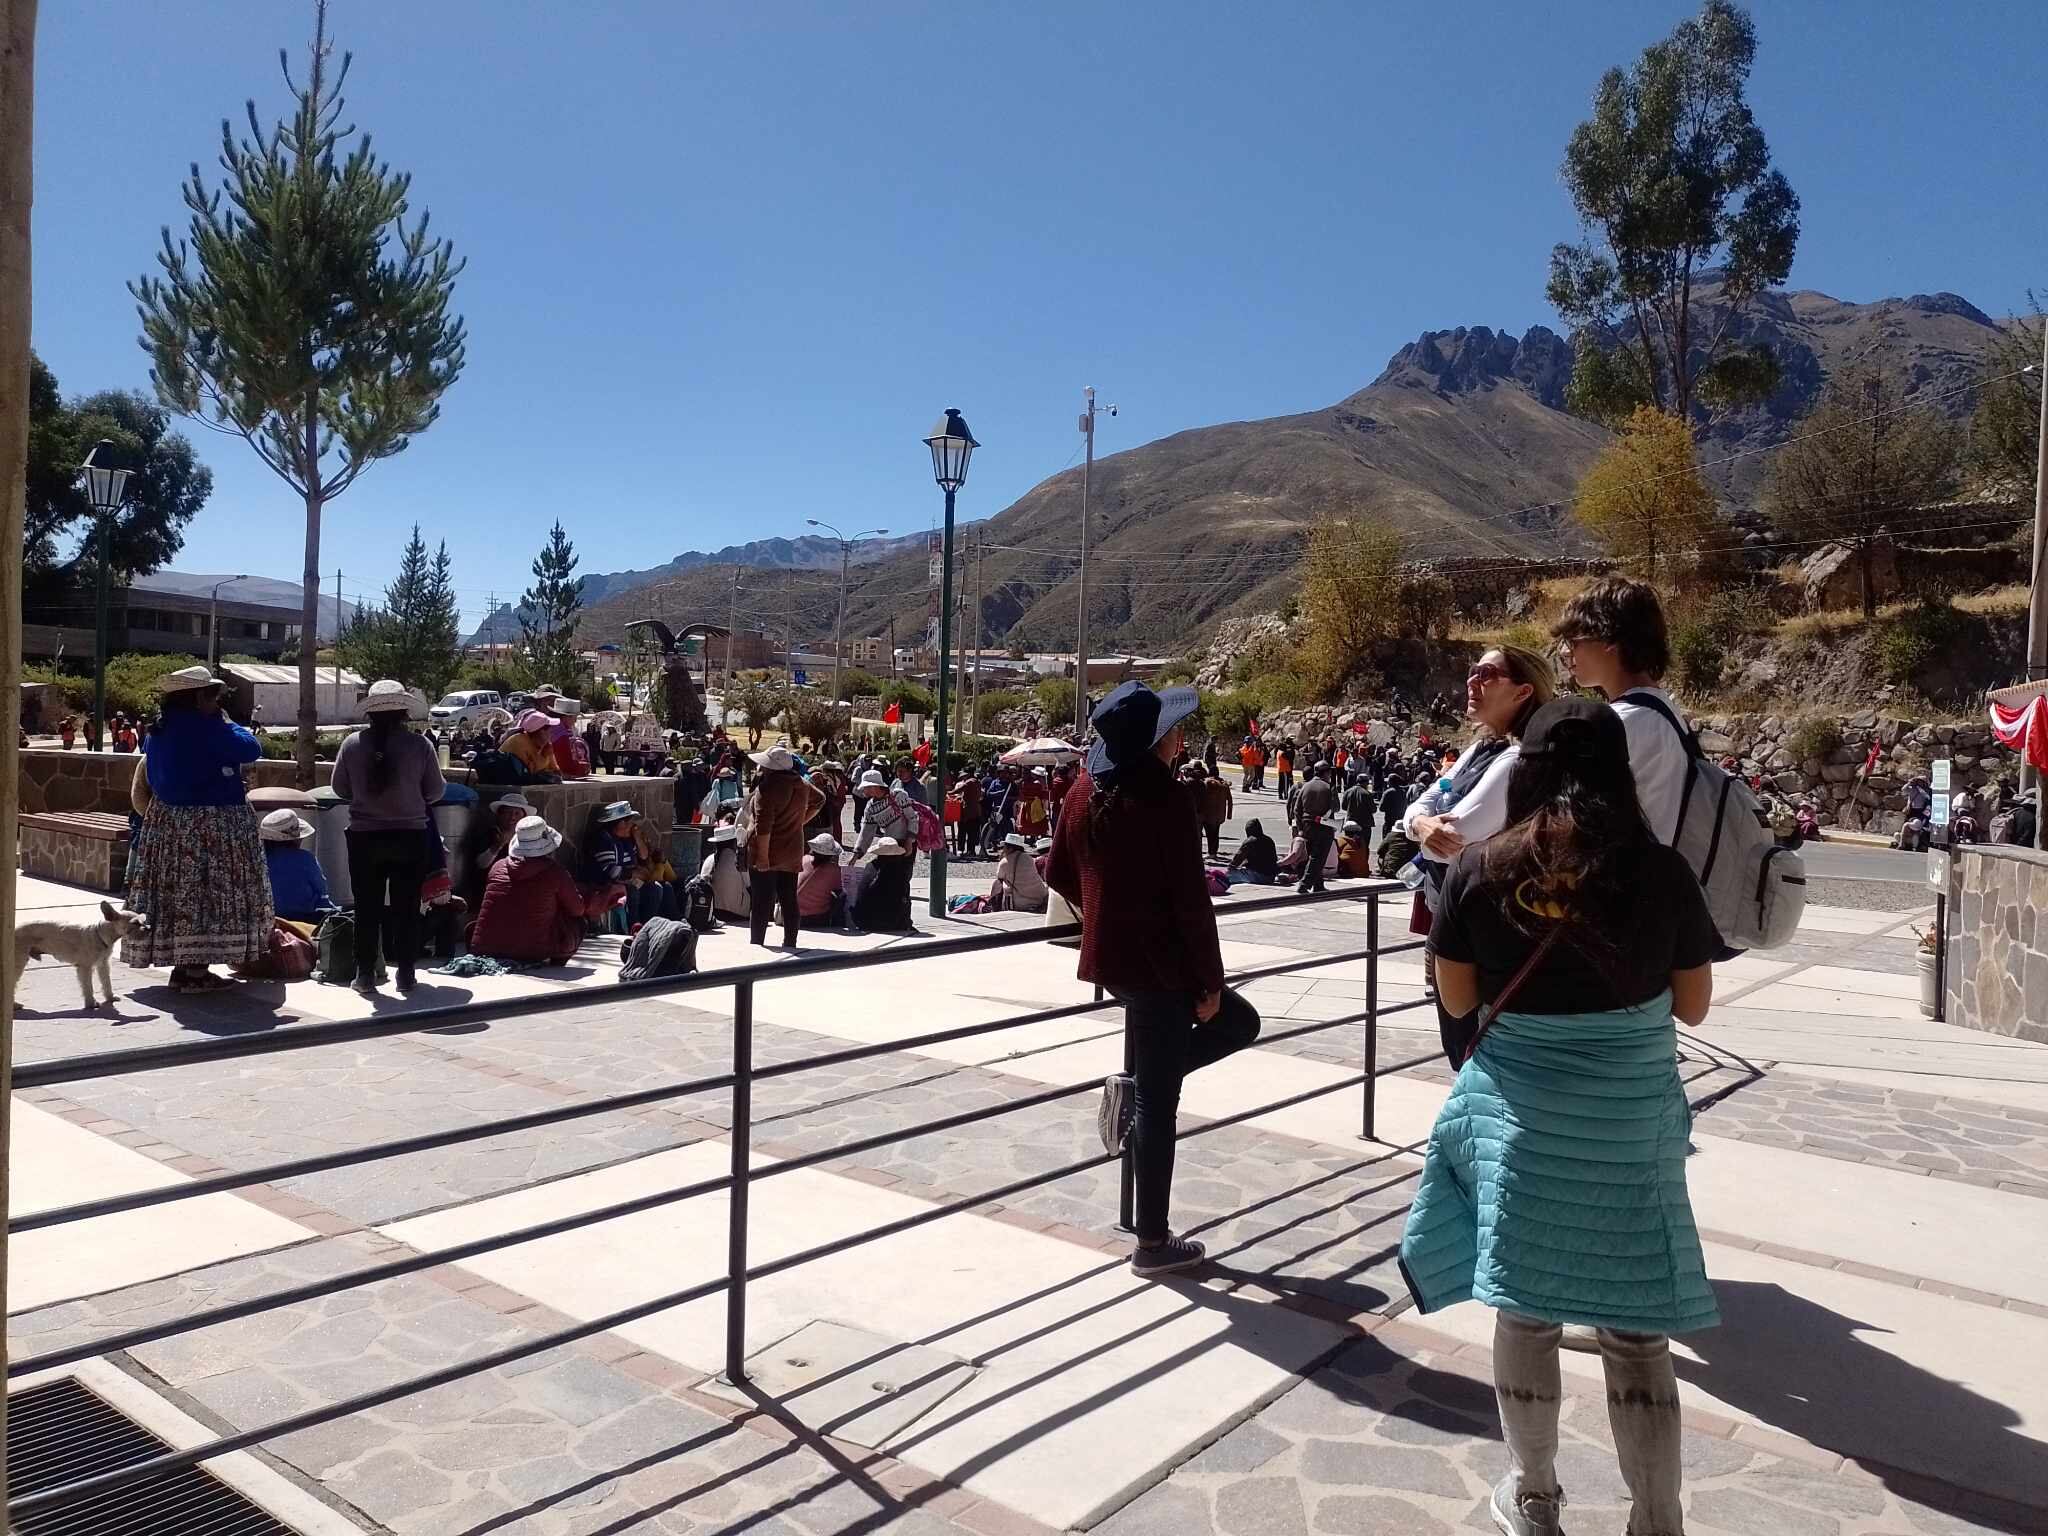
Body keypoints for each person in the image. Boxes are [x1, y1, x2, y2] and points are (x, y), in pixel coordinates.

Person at [1399, 697, 1718, 1536]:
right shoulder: (1662, 872)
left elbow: (1459, 999)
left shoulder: (1478, 867)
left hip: (1525, 1124)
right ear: (1617, 769)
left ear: (1528, 770)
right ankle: (1657, 1519)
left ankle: (1534, 1499)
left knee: (1528, 1309)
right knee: (1638, 1329)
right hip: (1628, 1124)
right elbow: (1694, 1006)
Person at [1046, 681, 1261, 1278]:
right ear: (1158, 742)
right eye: (1173, 731)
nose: (1181, 738)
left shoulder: (1084, 790)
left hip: (1115, 962)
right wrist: (1208, 982)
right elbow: (1190, 901)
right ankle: (1152, 1243)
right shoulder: (1162, 798)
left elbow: (1059, 869)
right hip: (1163, 967)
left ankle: (1138, 1084)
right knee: (1175, 1092)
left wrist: (1100, 917)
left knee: (1164, 1080)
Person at [122, 666, 271, 992]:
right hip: (212, 824)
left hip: (168, 823)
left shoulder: (157, 732)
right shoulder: (211, 728)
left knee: (179, 895)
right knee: (208, 893)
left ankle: (183, 966)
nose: (217, 702)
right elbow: (251, 749)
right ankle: (195, 973)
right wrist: (228, 722)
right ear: (198, 697)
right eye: (212, 696)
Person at [1401, 647, 1557, 921]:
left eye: (1486, 674)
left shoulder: (1520, 758)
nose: (1471, 681)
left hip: (1486, 917)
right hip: (1450, 908)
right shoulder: (1478, 750)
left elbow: (1449, 842)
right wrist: (1420, 824)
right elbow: (1423, 804)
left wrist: (1421, 827)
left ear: (1522, 692)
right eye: (1473, 672)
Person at [1551, 577, 1690, 844]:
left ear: (1608, 639)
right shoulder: (1660, 711)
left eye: (1573, 640)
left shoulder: (1623, 723)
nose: (1565, 652)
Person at [330, 680, 446, 995]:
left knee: (366, 906)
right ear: (404, 711)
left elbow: (339, 788)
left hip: (364, 837)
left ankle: (365, 974)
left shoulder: (352, 744)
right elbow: (435, 792)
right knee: (406, 908)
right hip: (410, 836)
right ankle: (406, 974)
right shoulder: (420, 745)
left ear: (370, 713)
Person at [471, 816, 612, 965]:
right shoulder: (555, 872)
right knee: (578, 922)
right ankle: (558, 959)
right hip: (533, 951)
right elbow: (577, 909)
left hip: (484, 947)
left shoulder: (497, 866)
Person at [744, 745, 825, 948]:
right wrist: (799, 822)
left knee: (762, 902)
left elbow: (763, 828)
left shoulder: (767, 789)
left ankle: (756, 944)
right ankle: (790, 942)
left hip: (769, 851)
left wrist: (762, 858)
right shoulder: (800, 784)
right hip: (792, 850)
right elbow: (820, 800)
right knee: (789, 898)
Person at [852, 770, 920, 931]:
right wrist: (857, 852)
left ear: (875, 786)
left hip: (905, 843)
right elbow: (867, 830)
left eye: (867, 788)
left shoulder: (898, 796)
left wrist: (909, 841)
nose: (864, 791)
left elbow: (913, 817)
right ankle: (891, 914)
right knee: (887, 880)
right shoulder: (870, 806)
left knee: (903, 881)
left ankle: (904, 918)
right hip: (887, 846)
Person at [591, 801, 673, 927]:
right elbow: (613, 873)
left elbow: (644, 857)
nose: (631, 825)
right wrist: (636, 873)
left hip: (628, 880)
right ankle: (634, 927)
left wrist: (637, 837)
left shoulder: (627, 839)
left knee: (658, 888)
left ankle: (650, 926)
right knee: (633, 891)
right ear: (618, 823)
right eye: (628, 821)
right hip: (607, 885)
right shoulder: (604, 840)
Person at [259, 809, 336, 923]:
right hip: (303, 920)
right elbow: (322, 894)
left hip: (267, 921)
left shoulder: (258, 861)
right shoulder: (306, 859)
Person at [1293, 763, 1338, 896]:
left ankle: (1318, 884)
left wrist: (1300, 828)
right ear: (1325, 773)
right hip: (1323, 826)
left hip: (1307, 826)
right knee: (1319, 857)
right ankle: (1304, 884)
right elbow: (1336, 807)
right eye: (1329, 773)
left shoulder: (1305, 786)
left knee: (1313, 856)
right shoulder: (1328, 787)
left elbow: (1297, 809)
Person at [700, 823, 750, 920]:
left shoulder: (709, 859)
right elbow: (749, 885)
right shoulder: (739, 861)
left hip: (714, 911)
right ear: (733, 842)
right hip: (737, 912)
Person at [989, 832, 1050, 913]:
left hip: (1019, 903)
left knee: (997, 883)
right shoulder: (1029, 858)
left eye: (1005, 847)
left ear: (1010, 848)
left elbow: (999, 877)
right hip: (1038, 898)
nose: (1003, 850)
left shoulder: (1004, 862)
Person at [798, 833, 846, 929]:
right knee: (841, 897)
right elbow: (840, 892)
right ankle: (838, 924)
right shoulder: (833, 870)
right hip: (814, 918)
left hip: (790, 915)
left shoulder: (804, 859)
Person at [499, 711, 557, 780]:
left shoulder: (544, 745)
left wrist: (548, 755)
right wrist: (544, 757)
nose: (550, 735)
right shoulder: (519, 742)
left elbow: (554, 770)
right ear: (541, 731)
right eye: (549, 731)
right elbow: (528, 773)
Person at [1226, 819, 1279, 885]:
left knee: (1228, 876)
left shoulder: (1250, 841)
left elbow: (1237, 859)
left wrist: (1229, 869)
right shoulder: (1269, 840)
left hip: (1259, 877)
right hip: (1271, 877)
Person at [1196, 765, 1233, 858]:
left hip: (1209, 813)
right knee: (1216, 834)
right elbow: (1230, 800)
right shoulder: (1224, 784)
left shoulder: (1207, 783)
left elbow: (1202, 797)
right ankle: (1214, 852)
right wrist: (1229, 814)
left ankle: (1211, 853)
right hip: (1220, 814)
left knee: (1210, 834)